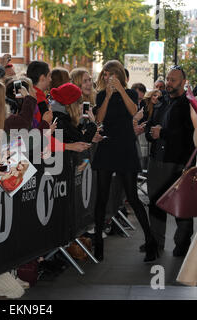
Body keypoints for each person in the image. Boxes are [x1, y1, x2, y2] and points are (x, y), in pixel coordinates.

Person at [92, 60, 157, 262]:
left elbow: (133, 113)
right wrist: (110, 94)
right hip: (107, 146)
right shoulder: (102, 95)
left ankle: (150, 241)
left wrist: (120, 90)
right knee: (101, 197)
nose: (106, 78)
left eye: (110, 75)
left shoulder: (129, 93)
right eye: (104, 75)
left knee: (133, 196)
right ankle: (98, 245)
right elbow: (99, 119)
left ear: (118, 75)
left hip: (126, 147)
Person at [145, 66, 195, 257]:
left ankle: (182, 243)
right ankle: (155, 243)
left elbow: (189, 135)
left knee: (180, 204)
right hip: (157, 158)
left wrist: (162, 133)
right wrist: (150, 132)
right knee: (154, 201)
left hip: (177, 161)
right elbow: (152, 124)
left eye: (173, 80)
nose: (169, 82)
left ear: (183, 82)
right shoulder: (161, 101)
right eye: (168, 78)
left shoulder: (188, 104)